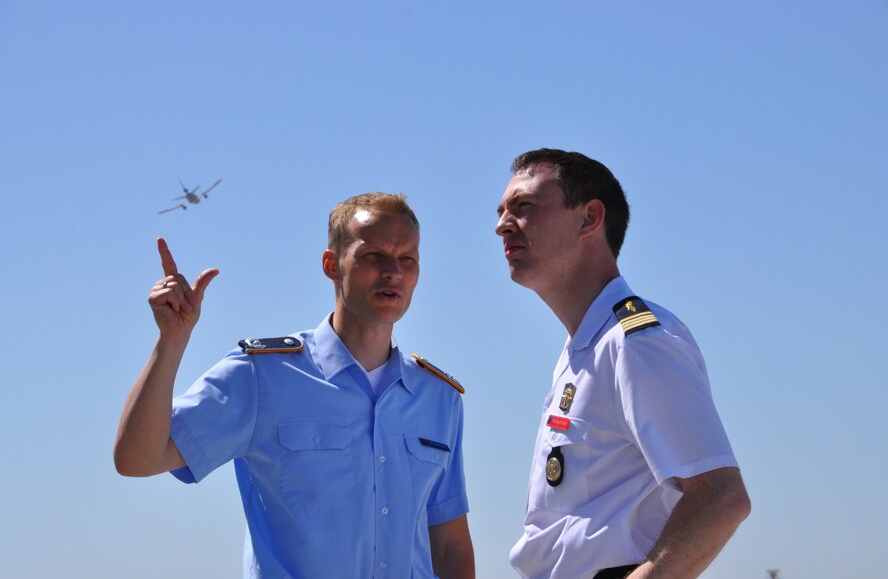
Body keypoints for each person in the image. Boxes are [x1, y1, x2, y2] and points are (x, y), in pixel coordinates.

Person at [114, 192, 474, 579]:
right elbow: (137, 459)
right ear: (331, 264)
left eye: (408, 259)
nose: (394, 272)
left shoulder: (439, 399)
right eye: (374, 256)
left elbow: (450, 547)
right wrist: (171, 342)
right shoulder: (261, 377)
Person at [495, 149, 750, 579]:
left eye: (524, 207)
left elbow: (722, 497)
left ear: (590, 219)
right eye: (502, 211)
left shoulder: (638, 341)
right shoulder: (582, 351)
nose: (502, 224)